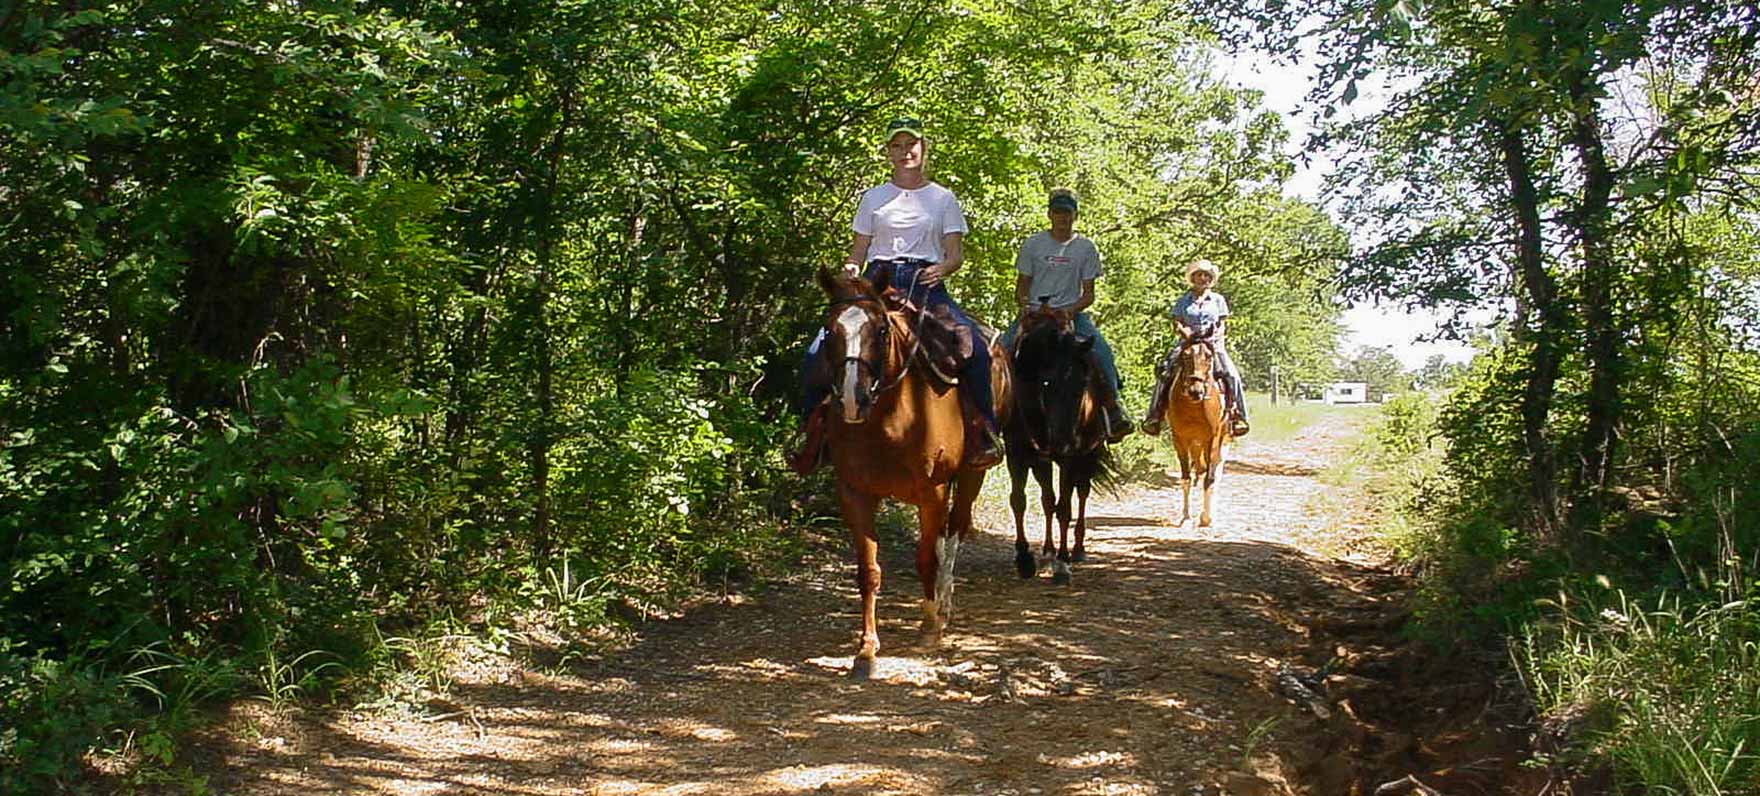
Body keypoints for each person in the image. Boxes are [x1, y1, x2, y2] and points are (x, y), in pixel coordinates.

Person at [787, 117, 1003, 474]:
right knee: (816, 351)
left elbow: (955, 252)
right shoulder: (873, 197)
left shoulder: (942, 198)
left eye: (911, 145)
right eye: (897, 146)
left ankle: (984, 432)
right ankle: (811, 435)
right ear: (888, 152)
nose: (905, 152)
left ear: (923, 148)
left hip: (925, 281)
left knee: (974, 349)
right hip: (877, 281)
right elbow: (859, 250)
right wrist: (852, 269)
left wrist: (945, 268)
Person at [1002, 187, 1131, 442]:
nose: (1062, 218)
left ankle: (1113, 412)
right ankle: (990, 417)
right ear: (1050, 214)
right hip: (1036, 314)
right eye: (1058, 213)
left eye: (1067, 213)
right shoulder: (1033, 244)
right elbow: (1022, 287)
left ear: (1075, 216)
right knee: (1002, 351)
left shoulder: (1085, 248)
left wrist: (1069, 310)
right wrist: (1030, 307)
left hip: (1071, 316)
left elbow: (1089, 294)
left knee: (1102, 353)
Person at [1140, 259, 1251, 437]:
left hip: (1213, 344)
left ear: (1211, 279)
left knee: (1231, 374)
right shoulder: (1183, 301)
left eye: (1206, 275)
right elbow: (1177, 323)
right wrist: (1187, 334)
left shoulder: (1218, 300)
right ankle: (1155, 415)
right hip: (1187, 343)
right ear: (1192, 278)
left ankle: (1238, 415)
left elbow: (1222, 324)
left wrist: (1214, 337)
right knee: (1165, 373)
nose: (1202, 278)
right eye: (1199, 275)